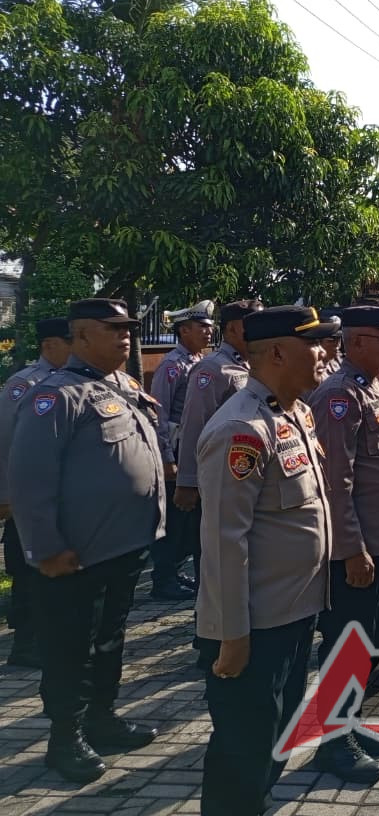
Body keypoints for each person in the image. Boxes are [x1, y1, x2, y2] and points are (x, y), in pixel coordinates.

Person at [8, 299, 165, 785]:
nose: (125, 336)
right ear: (80, 335)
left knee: (110, 639)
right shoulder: (55, 396)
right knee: (70, 646)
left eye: (128, 329)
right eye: (112, 329)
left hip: (124, 544)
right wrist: (46, 548)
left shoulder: (121, 385)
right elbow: (29, 479)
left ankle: (103, 717)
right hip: (75, 554)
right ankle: (65, 736)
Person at [194, 305, 336, 815]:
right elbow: (224, 544)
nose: (324, 353)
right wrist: (233, 636)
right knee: (244, 749)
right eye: (313, 344)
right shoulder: (241, 430)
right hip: (254, 627)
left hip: (294, 614)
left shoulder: (295, 412)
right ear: (277, 352)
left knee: (274, 736)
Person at [309, 305, 379, 783]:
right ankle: (333, 742)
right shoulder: (338, 396)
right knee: (347, 641)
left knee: (369, 640)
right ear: (354, 343)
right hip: (363, 548)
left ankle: (350, 722)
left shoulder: (373, 385)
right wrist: (351, 548)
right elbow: (336, 482)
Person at [175, 300, 263, 593]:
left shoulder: (249, 364)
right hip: (216, 479)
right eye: (252, 323)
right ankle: (210, 632)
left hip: (245, 477)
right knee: (213, 562)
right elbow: (193, 425)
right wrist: (187, 481)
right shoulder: (212, 369)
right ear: (233, 328)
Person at [0, 315, 72, 669]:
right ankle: (25, 646)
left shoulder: (72, 381)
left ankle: (47, 639)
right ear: (49, 345)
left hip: (61, 501)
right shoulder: (23, 384)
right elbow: (6, 443)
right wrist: (5, 497)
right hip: (26, 502)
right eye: (68, 341)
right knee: (28, 574)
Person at [149, 300, 215, 602]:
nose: (208, 332)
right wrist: (167, 457)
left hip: (195, 451)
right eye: (202, 327)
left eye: (210, 327)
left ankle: (174, 573)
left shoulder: (199, 361)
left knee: (189, 522)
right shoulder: (172, 365)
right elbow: (159, 414)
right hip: (176, 450)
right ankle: (162, 580)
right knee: (175, 520)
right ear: (184, 330)